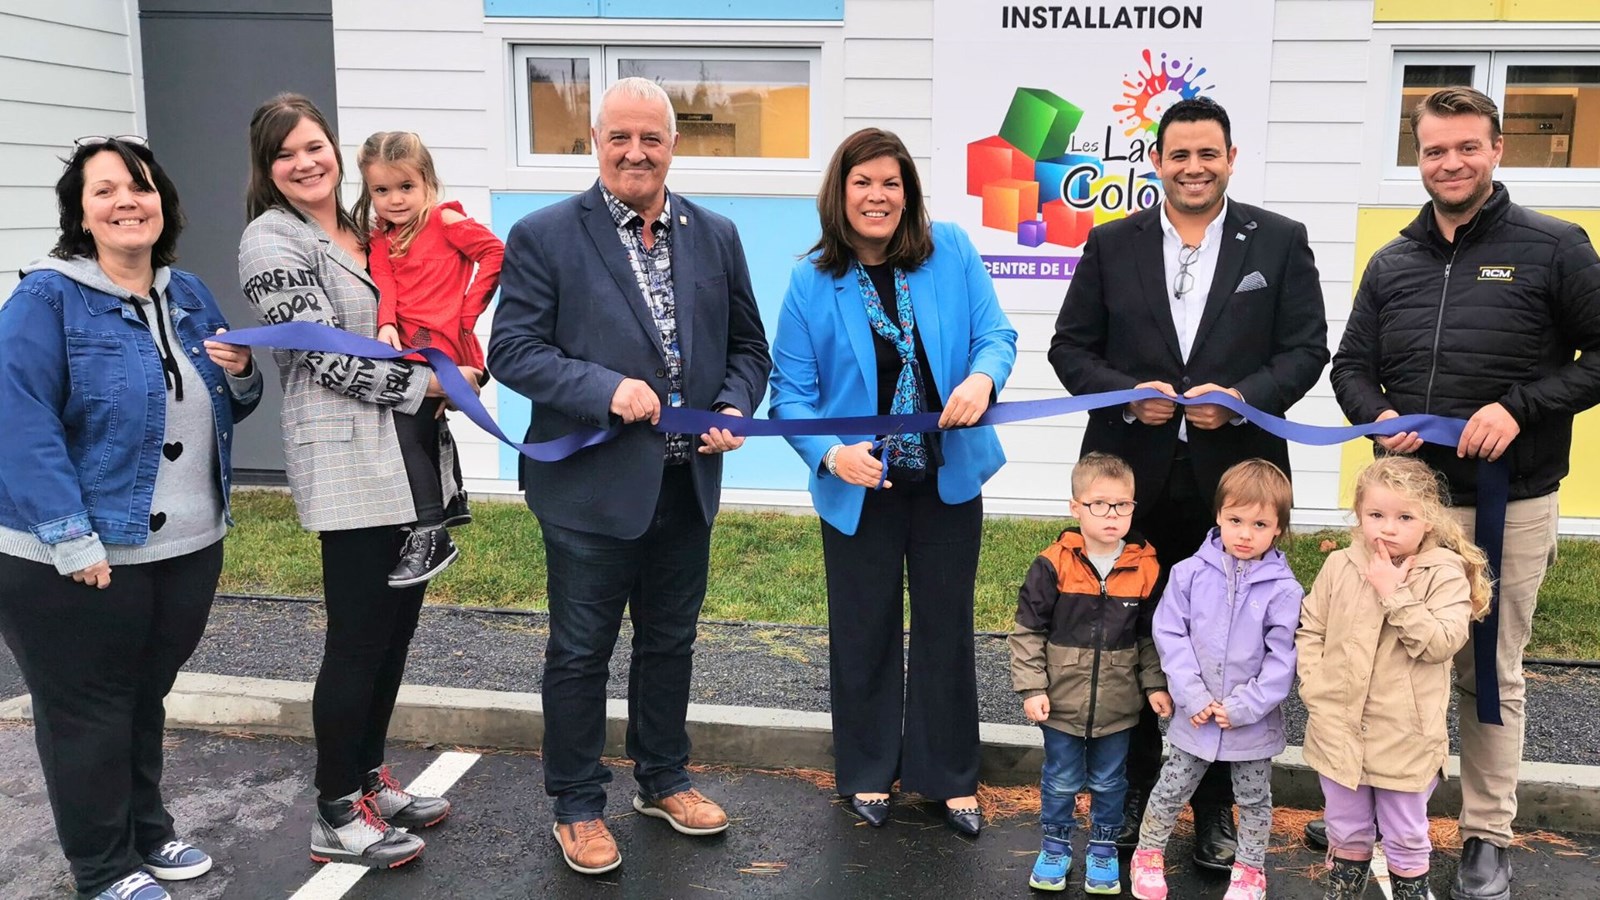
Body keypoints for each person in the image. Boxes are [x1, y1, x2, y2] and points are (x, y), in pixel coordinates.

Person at [487, 77, 770, 876]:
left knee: (671, 642)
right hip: (590, 491)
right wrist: (604, 390)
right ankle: (577, 804)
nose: (636, 152)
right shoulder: (544, 235)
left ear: (675, 145)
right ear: (595, 144)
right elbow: (513, 351)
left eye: (652, 137)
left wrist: (734, 405)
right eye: (621, 137)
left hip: (686, 485)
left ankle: (662, 778)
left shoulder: (715, 235)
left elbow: (750, 350)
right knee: (580, 652)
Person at [1328, 85, 1600, 900]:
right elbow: (1350, 366)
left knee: (1489, 670)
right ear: (1419, 155)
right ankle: (1380, 810)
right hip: (1404, 508)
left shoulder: (1557, 246)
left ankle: (1486, 833)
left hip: (1505, 504)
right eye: (1434, 149)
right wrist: (1376, 416)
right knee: (1387, 661)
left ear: (1496, 150)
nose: (1450, 162)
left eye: (1466, 147)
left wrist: (1518, 408)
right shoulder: (1392, 261)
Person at [1049, 95, 1329, 866]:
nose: (1194, 167)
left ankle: (1215, 812)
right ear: (1158, 163)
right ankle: (1141, 791)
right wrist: (1123, 392)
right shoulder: (1112, 244)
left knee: (1227, 647)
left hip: (1233, 487)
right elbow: (1070, 350)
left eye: (1209, 154)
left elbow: (1307, 349)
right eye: (1179, 155)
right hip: (1129, 482)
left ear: (1230, 158)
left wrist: (1247, 401)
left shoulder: (1278, 239)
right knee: (1138, 632)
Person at [0, 136, 261, 900]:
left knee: (143, 699)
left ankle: (148, 833)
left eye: (141, 188)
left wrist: (240, 379)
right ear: (79, 213)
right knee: (87, 712)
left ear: (163, 203)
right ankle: (103, 868)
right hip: (72, 554)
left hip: (184, 547)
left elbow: (226, 401)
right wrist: (69, 537)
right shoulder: (45, 299)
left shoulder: (188, 294)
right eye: (106, 190)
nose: (127, 202)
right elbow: (19, 423)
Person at [239, 94, 481, 869]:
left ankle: (370, 774)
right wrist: (429, 386)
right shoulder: (270, 239)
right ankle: (335, 808)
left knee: (395, 633)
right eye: (286, 154)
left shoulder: (368, 224)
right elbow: (321, 353)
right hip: (348, 459)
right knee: (356, 639)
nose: (306, 162)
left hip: (410, 456)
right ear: (267, 169)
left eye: (315, 146)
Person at [769, 127, 1017, 838]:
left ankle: (949, 778)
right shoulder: (811, 281)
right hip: (862, 488)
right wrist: (829, 455)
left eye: (891, 183)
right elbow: (788, 394)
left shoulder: (954, 253)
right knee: (864, 629)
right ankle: (868, 772)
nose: (877, 196)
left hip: (946, 479)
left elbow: (996, 336)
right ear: (840, 193)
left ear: (907, 193)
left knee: (946, 628)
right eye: (863, 183)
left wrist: (982, 376)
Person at [1299, 456, 1489, 900]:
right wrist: (1314, 686)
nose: (1387, 528)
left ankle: (1411, 890)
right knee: (1344, 826)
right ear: (1359, 515)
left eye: (1404, 517)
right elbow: (1311, 629)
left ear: (1428, 521)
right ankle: (1344, 887)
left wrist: (1393, 592)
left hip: (1404, 737)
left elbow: (1441, 643)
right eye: (1376, 515)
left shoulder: (1442, 572)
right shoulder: (1341, 566)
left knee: (1405, 831)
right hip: (1338, 730)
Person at [1129, 459, 1302, 900]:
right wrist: (1190, 694)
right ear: (1219, 517)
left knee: (1254, 800)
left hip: (1252, 723)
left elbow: (1283, 659)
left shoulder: (1285, 590)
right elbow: (1170, 633)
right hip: (1196, 715)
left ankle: (1249, 871)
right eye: (1235, 520)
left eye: (1260, 524)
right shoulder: (1189, 573)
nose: (1245, 533)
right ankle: (1147, 855)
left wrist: (1245, 706)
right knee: (1170, 786)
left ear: (1278, 528)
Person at [1010, 452, 1171, 893]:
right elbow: (1027, 633)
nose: (1112, 515)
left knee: (1109, 780)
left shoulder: (1146, 567)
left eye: (1123, 505)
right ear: (1075, 507)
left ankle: (1102, 850)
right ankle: (1055, 847)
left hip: (1119, 707)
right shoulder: (1052, 565)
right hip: (1060, 702)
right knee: (1060, 779)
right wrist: (1031, 687)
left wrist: (1154, 684)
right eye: (1099, 504)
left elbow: (1150, 638)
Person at [354, 130, 504, 587]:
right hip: (407, 350)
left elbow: (496, 254)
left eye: (406, 187)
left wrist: (467, 311)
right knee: (414, 427)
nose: (394, 200)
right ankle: (446, 506)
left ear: (428, 184)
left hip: (446, 351)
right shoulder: (380, 237)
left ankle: (431, 531)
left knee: (407, 428)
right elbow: (386, 283)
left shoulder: (445, 222)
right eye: (381, 190)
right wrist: (385, 323)